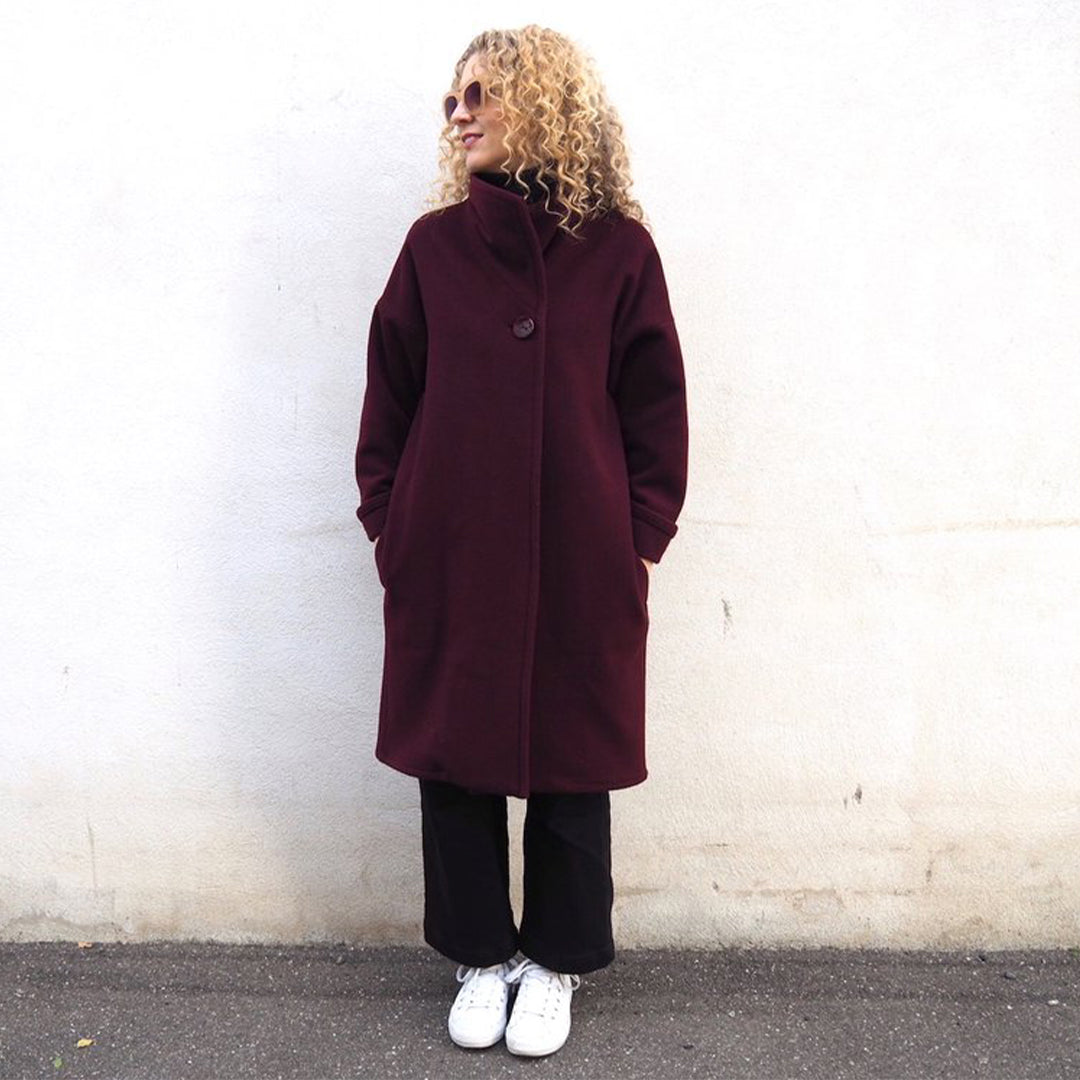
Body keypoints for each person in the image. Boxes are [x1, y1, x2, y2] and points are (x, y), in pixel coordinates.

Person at [354, 24, 689, 1057]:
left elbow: (656, 409)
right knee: (454, 758)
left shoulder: (619, 254)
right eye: (452, 99)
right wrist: (392, 525)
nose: (458, 115)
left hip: (583, 555)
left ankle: (554, 963)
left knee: (573, 759)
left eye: (480, 94)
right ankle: (479, 956)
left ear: (543, 102)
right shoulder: (434, 250)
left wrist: (638, 538)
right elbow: (389, 400)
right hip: (450, 552)